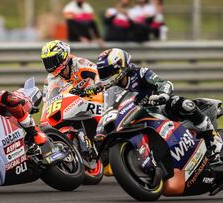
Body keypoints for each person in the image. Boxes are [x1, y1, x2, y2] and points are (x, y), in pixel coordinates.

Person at [95, 48, 223, 172]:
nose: (105, 76)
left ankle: (213, 139)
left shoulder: (140, 73)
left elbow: (164, 83)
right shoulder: (110, 89)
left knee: (183, 104)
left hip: (156, 108)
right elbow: (100, 97)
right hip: (133, 115)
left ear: (120, 67)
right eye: (102, 73)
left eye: (107, 72)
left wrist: (162, 95)